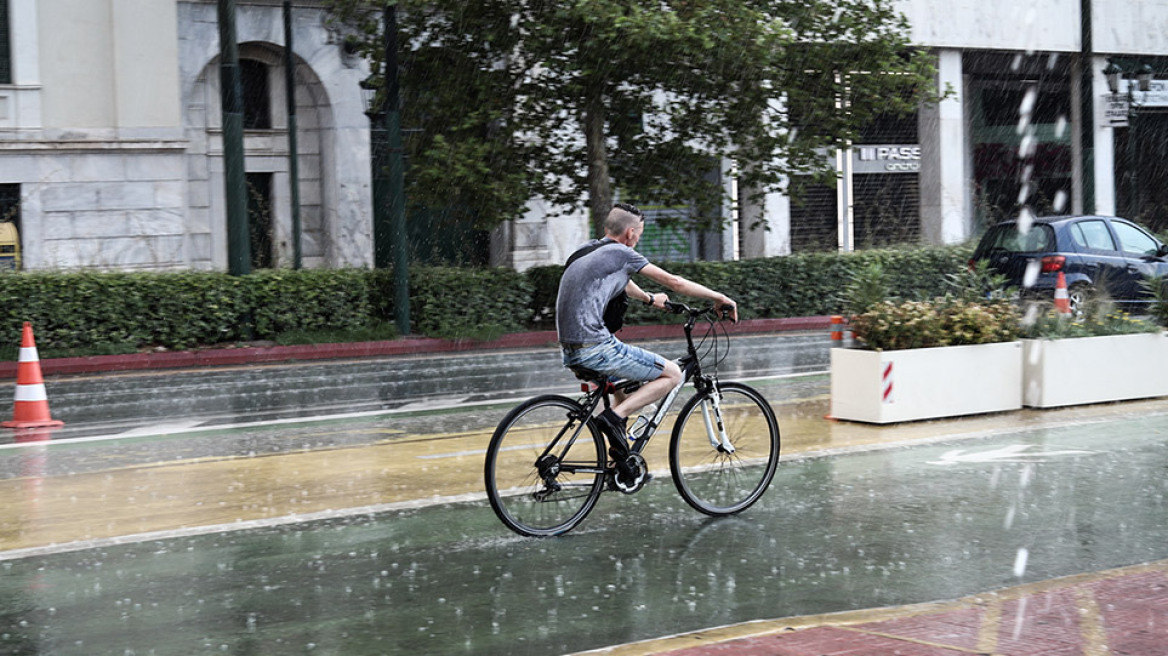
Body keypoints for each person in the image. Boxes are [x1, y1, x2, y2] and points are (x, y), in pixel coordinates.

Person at [556, 202, 738, 475]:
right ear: (629, 233)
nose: (638, 239)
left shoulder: (590, 250)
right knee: (673, 374)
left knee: (624, 390)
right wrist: (719, 297)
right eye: (639, 233)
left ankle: (621, 463)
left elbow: (621, 280)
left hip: (571, 350)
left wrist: (651, 300)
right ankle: (613, 419)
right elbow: (675, 282)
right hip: (595, 346)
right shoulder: (621, 252)